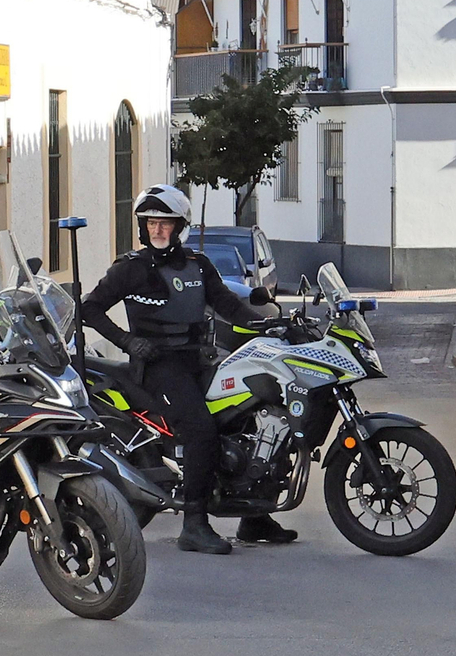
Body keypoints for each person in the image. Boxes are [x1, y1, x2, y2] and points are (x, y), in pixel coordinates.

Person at [80, 184, 297, 554]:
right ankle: (194, 524)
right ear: (142, 226)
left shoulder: (198, 265)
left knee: (246, 415)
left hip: (199, 359)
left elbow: (227, 303)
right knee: (200, 432)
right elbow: (90, 309)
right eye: (150, 223)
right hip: (158, 367)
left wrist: (267, 324)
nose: (157, 230)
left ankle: (253, 515)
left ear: (179, 226)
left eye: (165, 223)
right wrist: (128, 342)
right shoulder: (129, 270)